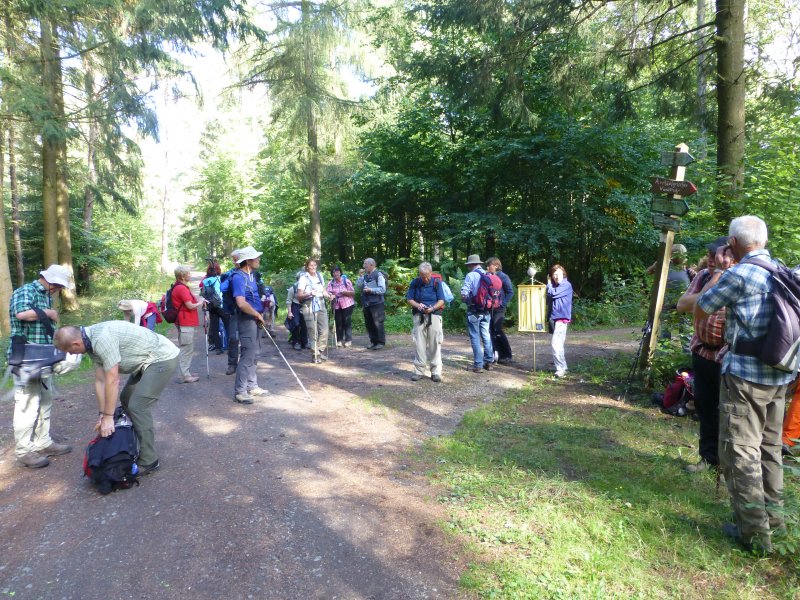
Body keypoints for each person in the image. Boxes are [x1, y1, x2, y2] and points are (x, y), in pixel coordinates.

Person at [696, 215, 796, 553]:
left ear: (734, 243)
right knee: (769, 451)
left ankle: (754, 536)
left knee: (741, 450)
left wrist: (718, 273)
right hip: (780, 375)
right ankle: (777, 525)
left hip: (746, 378)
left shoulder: (739, 274)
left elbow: (703, 307)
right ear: (763, 241)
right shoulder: (782, 271)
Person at [53, 321, 179, 475]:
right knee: (126, 399)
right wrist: (102, 414)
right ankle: (134, 446)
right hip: (146, 361)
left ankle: (149, 461)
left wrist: (109, 417)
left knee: (138, 406)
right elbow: (100, 380)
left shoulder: (102, 339)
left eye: (70, 351)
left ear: (76, 343)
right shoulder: (90, 342)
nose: (72, 354)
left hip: (162, 358)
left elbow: (112, 380)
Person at [7, 265, 74, 468]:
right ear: (50, 280)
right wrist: (49, 313)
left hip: (43, 357)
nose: (59, 289)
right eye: (59, 286)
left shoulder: (46, 296)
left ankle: (43, 442)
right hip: (26, 358)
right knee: (27, 405)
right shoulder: (26, 290)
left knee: (45, 400)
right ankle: (24, 451)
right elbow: (21, 314)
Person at [676, 236, 731, 473]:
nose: (710, 260)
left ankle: (728, 465)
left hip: (726, 356)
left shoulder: (738, 278)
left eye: (715, 256)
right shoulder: (703, 277)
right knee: (705, 407)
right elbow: (683, 305)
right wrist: (715, 279)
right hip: (701, 352)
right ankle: (708, 460)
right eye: (709, 255)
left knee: (728, 411)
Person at [230, 246, 266, 404]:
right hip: (246, 320)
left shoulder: (252, 275)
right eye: (256, 258)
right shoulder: (238, 278)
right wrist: (256, 314)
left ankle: (252, 385)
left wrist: (259, 314)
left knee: (255, 353)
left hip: (255, 319)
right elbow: (241, 303)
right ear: (249, 261)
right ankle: (240, 391)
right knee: (247, 354)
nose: (259, 260)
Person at [406, 262, 446, 382]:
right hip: (419, 316)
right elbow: (409, 299)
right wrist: (418, 305)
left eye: (427, 276)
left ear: (431, 273)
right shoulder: (415, 282)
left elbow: (441, 300)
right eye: (422, 276)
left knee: (435, 343)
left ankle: (436, 372)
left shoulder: (437, 282)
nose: (425, 279)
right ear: (419, 274)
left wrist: (432, 308)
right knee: (419, 344)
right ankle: (419, 371)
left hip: (435, 315)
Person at [172, 265, 206, 383]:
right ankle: (185, 375)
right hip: (184, 322)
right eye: (188, 273)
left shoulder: (179, 287)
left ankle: (186, 372)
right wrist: (200, 302)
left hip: (184, 322)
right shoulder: (181, 288)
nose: (190, 275)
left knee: (187, 347)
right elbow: (190, 306)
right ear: (182, 276)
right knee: (186, 349)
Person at [460, 255, 494, 372]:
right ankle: (489, 362)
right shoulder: (487, 274)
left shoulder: (471, 275)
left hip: (474, 311)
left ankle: (478, 365)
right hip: (486, 311)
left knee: (475, 337)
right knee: (486, 335)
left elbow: (464, 293)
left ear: (471, 264)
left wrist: (465, 299)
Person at [297, 258, 330, 364]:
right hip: (308, 304)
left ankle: (320, 350)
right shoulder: (303, 278)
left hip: (321, 303)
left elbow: (323, 290)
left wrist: (329, 296)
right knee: (312, 330)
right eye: (311, 265)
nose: (313, 267)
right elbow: (299, 296)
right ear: (307, 267)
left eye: (315, 265)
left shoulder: (319, 275)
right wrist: (310, 293)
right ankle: (315, 354)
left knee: (325, 329)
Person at [485, 257, 514, 364]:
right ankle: (496, 354)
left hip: (500, 308)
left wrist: (502, 303)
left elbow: (510, 292)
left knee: (498, 330)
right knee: (491, 330)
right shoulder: (489, 277)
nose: (487, 268)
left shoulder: (503, 276)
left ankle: (507, 355)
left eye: (489, 265)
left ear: (496, 266)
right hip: (491, 308)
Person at [546, 264, 573, 378]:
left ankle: (561, 369)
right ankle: (563, 367)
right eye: (554, 274)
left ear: (563, 274)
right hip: (555, 319)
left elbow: (553, 293)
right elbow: (548, 300)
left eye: (558, 274)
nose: (556, 276)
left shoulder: (566, 285)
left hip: (561, 319)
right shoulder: (555, 286)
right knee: (559, 344)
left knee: (556, 344)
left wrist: (548, 284)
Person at [356, 258, 386, 350]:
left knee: (378, 323)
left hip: (377, 303)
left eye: (365, 264)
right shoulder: (365, 276)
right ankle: (373, 342)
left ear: (371, 265)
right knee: (369, 323)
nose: (363, 266)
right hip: (367, 303)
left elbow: (382, 289)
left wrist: (371, 290)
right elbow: (359, 286)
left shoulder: (378, 275)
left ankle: (380, 342)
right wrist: (360, 276)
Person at [327, 265, 355, 347]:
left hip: (347, 304)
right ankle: (339, 340)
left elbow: (353, 293)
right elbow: (327, 292)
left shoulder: (346, 281)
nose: (335, 273)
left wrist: (345, 292)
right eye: (334, 272)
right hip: (336, 305)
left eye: (337, 272)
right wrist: (330, 295)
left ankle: (348, 340)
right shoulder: (331, 283)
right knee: (338, 322)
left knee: (347, 321)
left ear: (340, 272)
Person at [201, 262, 226, 354]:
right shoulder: (221, 279)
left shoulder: (206, 281)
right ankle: (228, 346)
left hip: (212, 305)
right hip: (222, 305)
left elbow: (204, 294)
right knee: (227, 325)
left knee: (214, 327)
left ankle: (218, 348)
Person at [286, 271, 309, 351]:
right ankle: (296, 342)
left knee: (305, 325)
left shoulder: (308, 288)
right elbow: (289, 301)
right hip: (295, 306)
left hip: (305, 306)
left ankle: (304, 342)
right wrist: (289, 312)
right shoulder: (293, 288)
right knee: (296, 324)